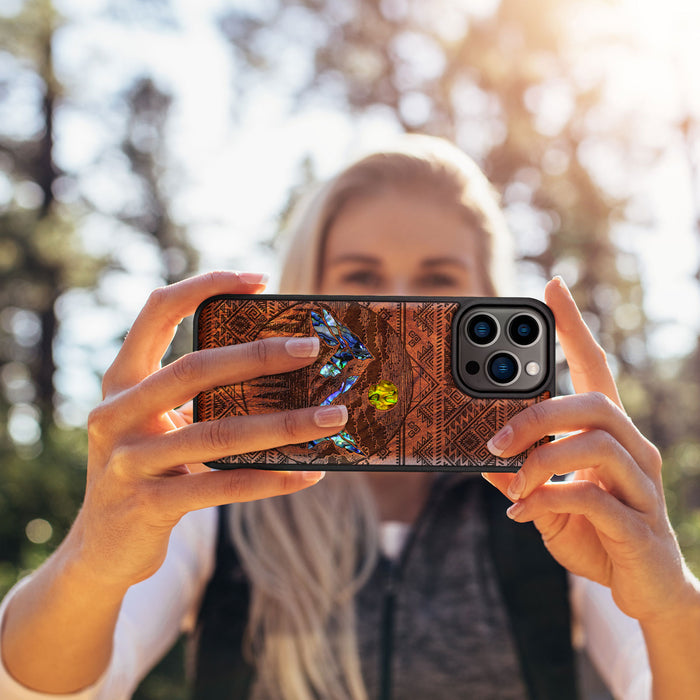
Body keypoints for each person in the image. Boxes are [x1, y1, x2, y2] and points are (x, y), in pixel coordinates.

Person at [1, 135, 699, 700]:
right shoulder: (218, 495)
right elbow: (48, 690)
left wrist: (670, 604)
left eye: (437, 282)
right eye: (361, 280)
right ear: (307, 290)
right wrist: (94, 557)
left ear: (487, 300)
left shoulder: (554, 502)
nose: (395, 313)